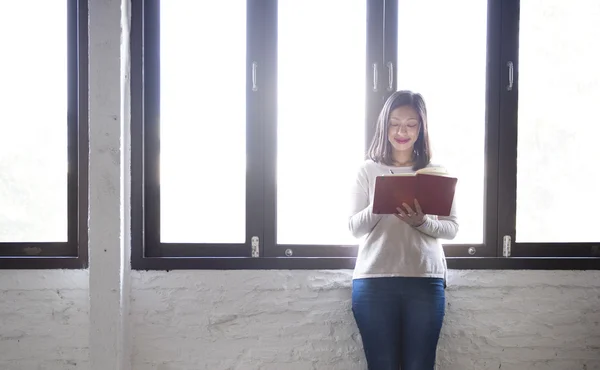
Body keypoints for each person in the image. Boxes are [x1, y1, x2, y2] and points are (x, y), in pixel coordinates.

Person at [348, 90, 458, 370]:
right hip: (374, 280)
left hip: (425, 279)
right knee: (381, 365)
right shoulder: (368, 170)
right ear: (384, 126)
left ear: (421, 128)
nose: (402, 131)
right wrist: (378, 203)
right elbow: (354, 228)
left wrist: (421, 222)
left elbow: (452, 228)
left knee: (419, 365)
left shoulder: (435, 172)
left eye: (411, 124)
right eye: (395, 123)